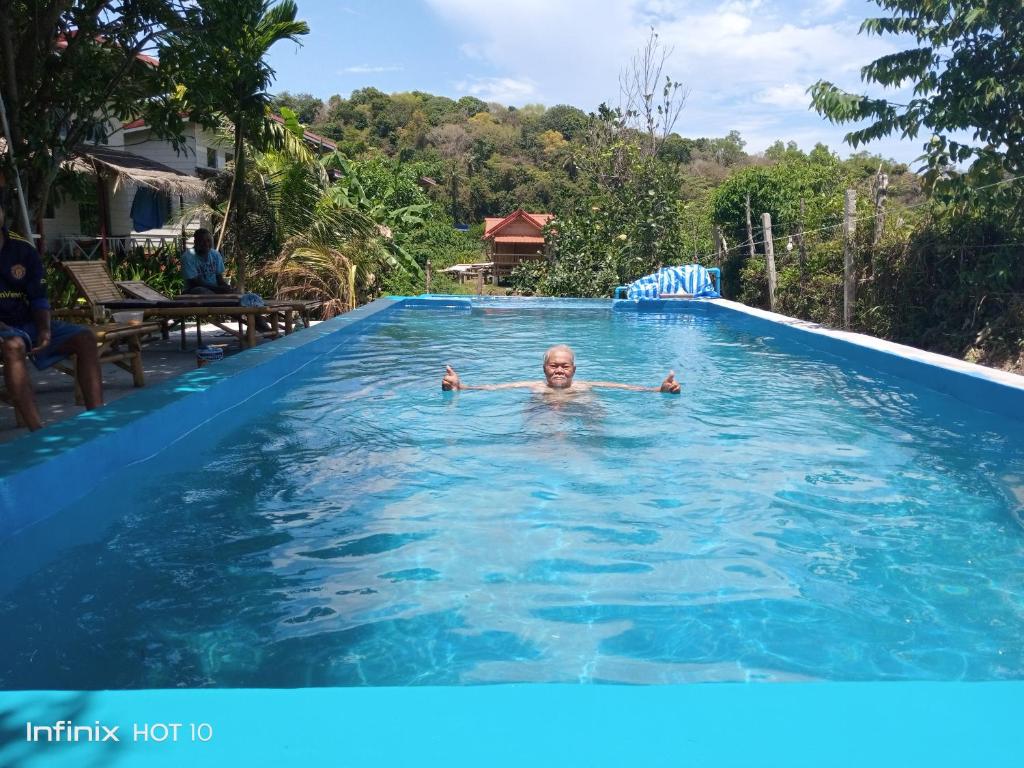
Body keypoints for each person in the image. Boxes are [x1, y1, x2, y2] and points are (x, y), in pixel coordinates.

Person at [0, 207, 103, 430]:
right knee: (13, 346)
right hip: (6, 331)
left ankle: (99, 422)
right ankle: (38, 432)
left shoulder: (22, 249)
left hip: (25, 323)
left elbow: (38, 297)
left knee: (85, 338)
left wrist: (45, 329)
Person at [441, 344, 681, 394]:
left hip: (580, 412)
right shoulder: (532, 386)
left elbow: (627, 388)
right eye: (553, 366)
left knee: (594, 414)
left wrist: (658, 390)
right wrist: (460, 386)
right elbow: (492, 388)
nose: (559, 370)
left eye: (564, 366)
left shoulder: (585, 386)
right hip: (542, 416)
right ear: (544, 369)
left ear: (573, 370)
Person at [181, 228, 234, 294]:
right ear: (195, 242)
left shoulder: (215, 255)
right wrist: (218, 289)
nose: (206, 244)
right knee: (199, 290)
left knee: (235, 291)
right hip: (193, 291)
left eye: (208, 240)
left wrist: (227, 288)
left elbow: (219, 279)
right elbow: (194, 283)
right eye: (202, 241)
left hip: (214, 290)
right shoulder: (188, 257)